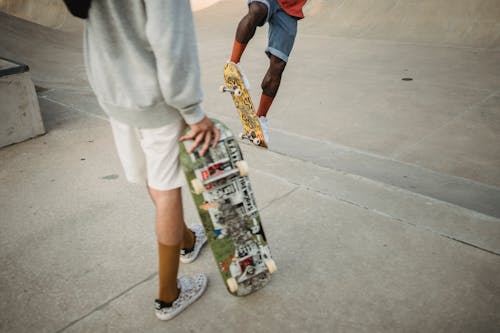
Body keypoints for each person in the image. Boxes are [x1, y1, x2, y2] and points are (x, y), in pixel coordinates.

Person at [81, 0, 220, 321]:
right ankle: (169, 295)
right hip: (155, 96)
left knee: (152, 176)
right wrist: (193, 112)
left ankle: (187, 239)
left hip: (115, 92)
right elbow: (171, 39)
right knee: (167, 187)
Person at [229, 0, 307, 143]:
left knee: (278, 65)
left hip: (290, 9)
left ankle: (260, 120)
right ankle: (233, 65)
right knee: (258, 10)